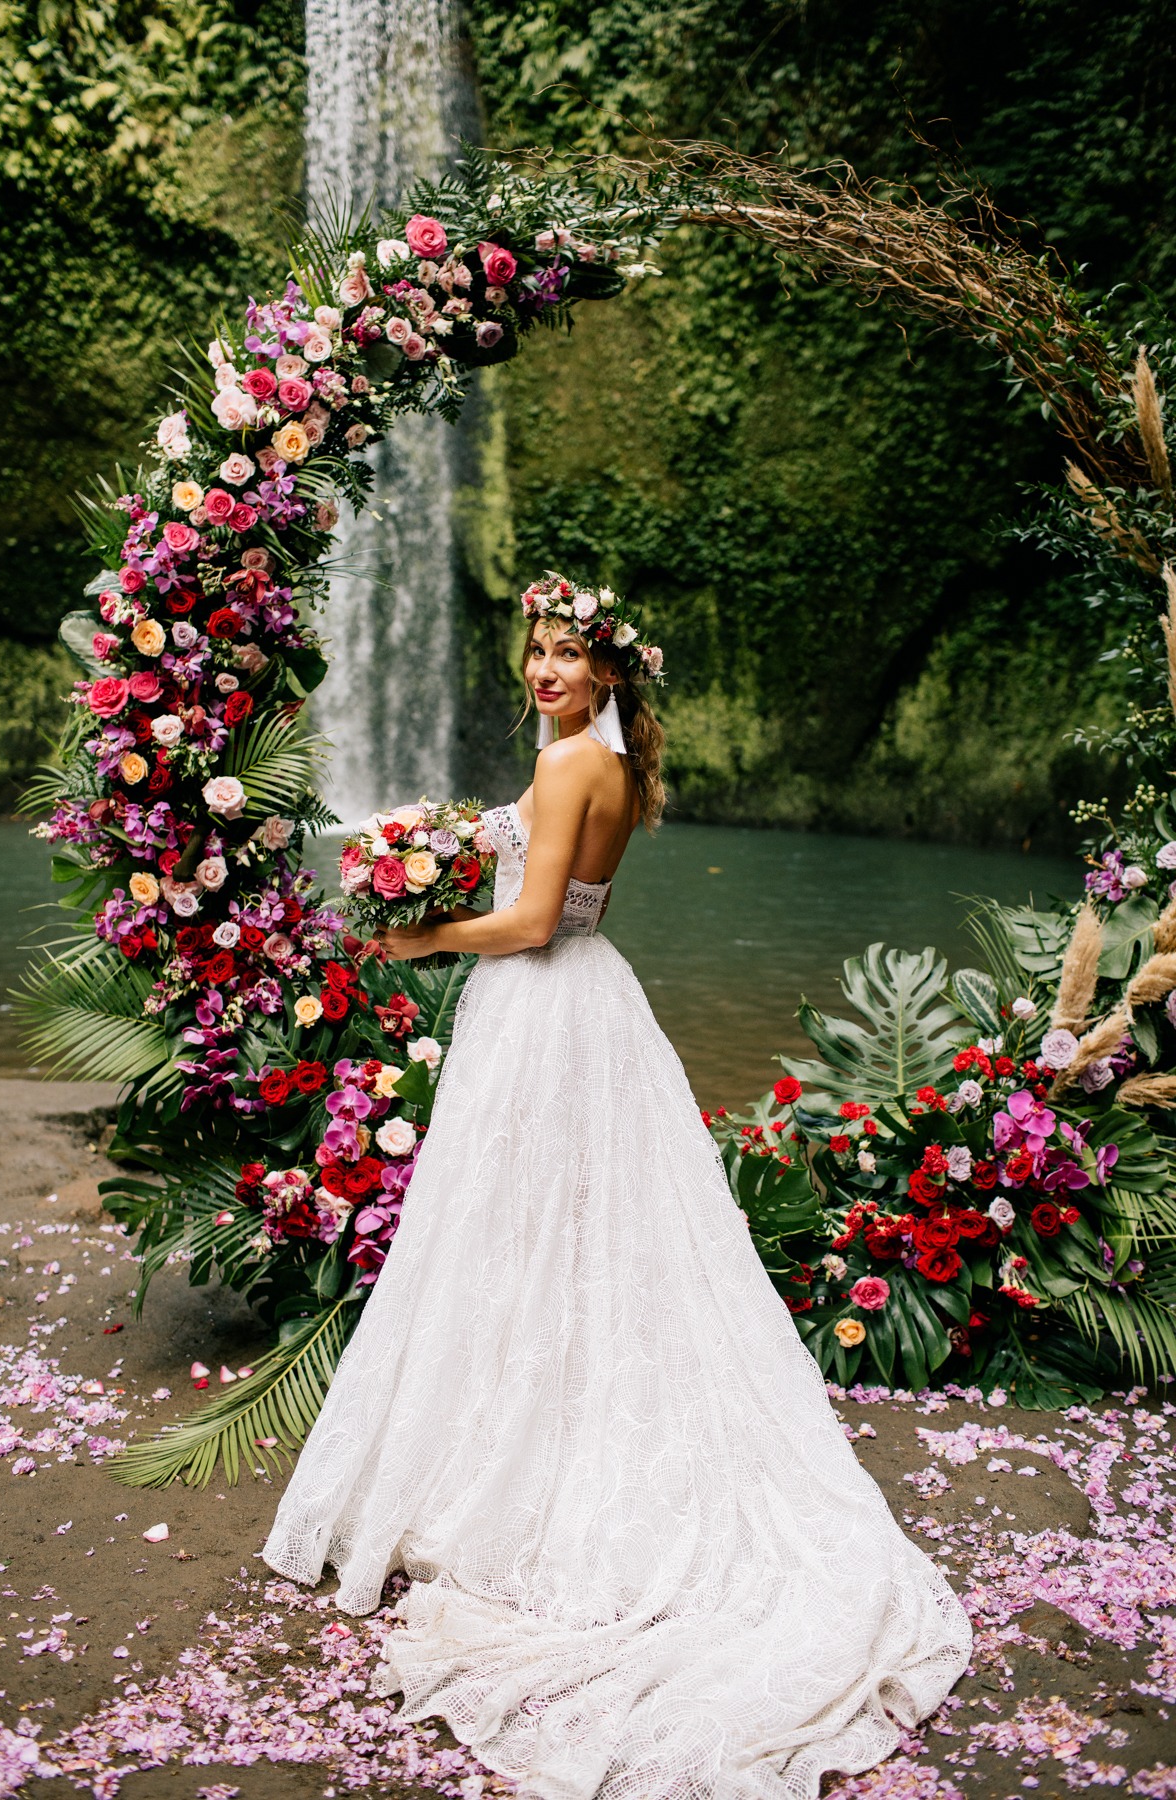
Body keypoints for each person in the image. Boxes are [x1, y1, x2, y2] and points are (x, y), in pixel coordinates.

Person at [262, 571, 972, 1799]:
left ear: (606, 673)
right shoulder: (615, 767)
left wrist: (411, 936)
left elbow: (536, 920)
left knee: (509, 1230)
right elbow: (543, 850)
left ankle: (515, 1463)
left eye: (565, 657)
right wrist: (434, 839)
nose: (543, 670)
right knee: (580, 1232)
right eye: (534, 651)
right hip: (602, 1007)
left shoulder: (566, 768)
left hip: (541, 1004)